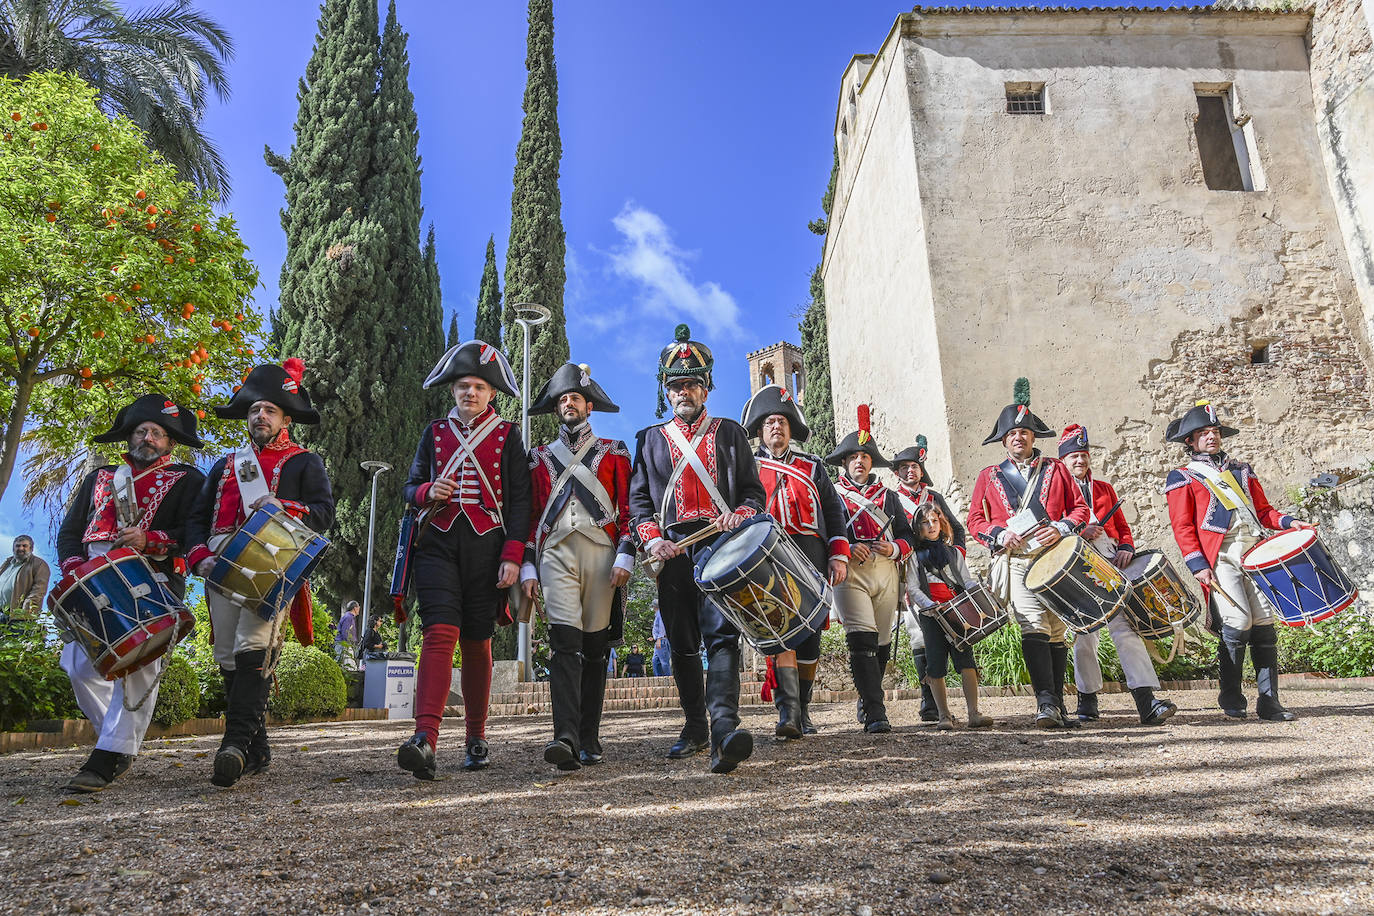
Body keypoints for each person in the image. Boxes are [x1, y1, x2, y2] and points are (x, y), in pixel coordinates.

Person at [186, 360, 335, 788]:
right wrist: (200, 558)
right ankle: (257, 747)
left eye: (269, 410)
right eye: (254, 410)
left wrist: (282, 507)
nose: (260, 416)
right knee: (226, 656)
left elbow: (323, 513)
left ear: (286, 417)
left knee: (254, 645)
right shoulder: (225, 465)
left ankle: (232, 746)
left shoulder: (305, 461)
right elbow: (198, 521)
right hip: (219, 562)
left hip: (272, 558)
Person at [629, 324, 765, 774]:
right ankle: (694, 728)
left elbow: (752, 493)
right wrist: (652, 537)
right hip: (671, 553)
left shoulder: (729, 433)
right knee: (683, 643)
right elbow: (639, 502)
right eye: (676, 385)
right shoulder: (649, 439)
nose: (684, 391)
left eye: (692, 383)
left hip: (720, 545)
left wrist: (738, 517)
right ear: (667, 392)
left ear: (706, 388)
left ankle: (725, 729)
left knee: (722, 636)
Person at [54, 394, 205, 792]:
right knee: (78, 665)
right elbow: (70, 533)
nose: (149, 438)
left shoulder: (189, 480)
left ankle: (110, 756)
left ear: (170, 442)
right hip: (91, 582)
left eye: (157, 433)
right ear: (130, 437)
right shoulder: (99, 478)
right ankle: (117, 739)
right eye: (142, 431)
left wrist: (150, 538)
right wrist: (73, 569)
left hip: (150, 580)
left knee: (141, 665)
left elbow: (193, 534)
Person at [396, 341, 531, 780]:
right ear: (452, 390)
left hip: (488, 547)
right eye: (461, 386)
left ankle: (476, 736)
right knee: (438, 632)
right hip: (436, 542)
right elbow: (410, 486)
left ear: (491, 393)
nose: (469, 393)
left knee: (476, 640)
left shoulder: (508, 435)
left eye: (477, 386)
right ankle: (425, 739)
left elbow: (519, 504)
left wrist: (513, 556)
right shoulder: (434, 432)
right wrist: (425, 492)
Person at [1164, 400, 1313, 722]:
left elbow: (1264, 511)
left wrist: (1290, 522)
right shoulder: (1183, 476)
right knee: (1238, 621)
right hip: (1220, 556)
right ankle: (1231, 695)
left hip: (1254, 552)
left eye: (1215, 431)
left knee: (1264, 623)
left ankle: (1269, 701)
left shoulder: (1241, 471)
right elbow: (1182, 526)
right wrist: (1197, 565)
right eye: (1203, 433)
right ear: (1189, 441)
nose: (1211, 437)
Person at [519, 362, 634, 769]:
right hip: (554, 554)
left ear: (589, 407)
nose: (569, 404)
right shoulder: (538, 458)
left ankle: (590, 737)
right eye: (563, 399)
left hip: (602, 553)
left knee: (595, 648)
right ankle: (564, 737)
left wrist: (626, 552)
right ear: (557, 409)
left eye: (576, 398)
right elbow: (531, 514)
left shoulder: (615, 452)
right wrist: (528, 565)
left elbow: (629, 510)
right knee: (564, 644)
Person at [966, 379, 1088, 729]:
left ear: (1034, 437)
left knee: (1056, 629)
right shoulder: (988, 476)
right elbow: (975, 519)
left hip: (1055, 557)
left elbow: (1079, 509)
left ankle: (1059, 705)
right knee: (1032, 623)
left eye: (1024, 432)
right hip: (1017, 559)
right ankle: (1046, 702)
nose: (1018, 437)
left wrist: (1062, 527)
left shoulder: (1058, 469)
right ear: (1003, 441)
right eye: (1012, 434)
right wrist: (999, 533)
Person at [740, 384, 849, 738]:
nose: (777, 428)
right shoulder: (747, 468)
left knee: (811, 636)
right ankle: (787, 714)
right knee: (780, 629)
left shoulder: (812, 466)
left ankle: (803, 708)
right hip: (768, 558)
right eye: (771, 422)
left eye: (783, 423)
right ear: (760, 429)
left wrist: (838, 555)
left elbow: (834, 514)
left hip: (811, 556)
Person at [1059, 425, 1177, 725]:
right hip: (1079, 567)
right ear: (1063, 461)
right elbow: (1051, 529)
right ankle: (1087, 698)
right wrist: (1079, 530)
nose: (1080, 461)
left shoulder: (1104, 489)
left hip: (1112, 564)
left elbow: (1123, 527)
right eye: (1073, 456)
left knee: (1126, 630)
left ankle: (1146, 700)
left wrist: (1125, 546)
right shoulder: (1056, 493)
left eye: (1083, 455)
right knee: (1085, 636)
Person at [826, 405, 914, 735]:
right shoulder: (833, 496)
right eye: (853, 457)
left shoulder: (889, 497)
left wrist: (895, 548)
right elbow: (826, 533)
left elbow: (907, 536)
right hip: (851, 572)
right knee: (861, 637)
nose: (859, 461)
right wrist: (845, 547)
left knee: (882, 641)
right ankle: (877, 711)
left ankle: (867, 696)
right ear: (845, 463)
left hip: (886, 570)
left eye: (864, 456)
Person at [891, 437, 963, 723]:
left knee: (941, 631)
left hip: (936, 571)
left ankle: (936, 700)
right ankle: (928, 701)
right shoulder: (891, 498)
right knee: (918, 635)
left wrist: (953, 558)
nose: (911, 471)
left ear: (921, 470)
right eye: (905, 467)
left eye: (915, 466)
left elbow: (956, 530)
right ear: (897, 472)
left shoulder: (934, 499)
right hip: (908, 569)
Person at [905, 502, 994, 729]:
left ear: (941, 523)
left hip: (957, 611)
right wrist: (930, 605)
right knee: (934, 663)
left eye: (934, 521)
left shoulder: (953, 553)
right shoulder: (914, 556)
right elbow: (913, 589)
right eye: (925, 522)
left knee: (966, 661)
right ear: (918, 527)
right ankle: (944, 716)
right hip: (931, 614)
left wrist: (981, 595)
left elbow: (966, 580)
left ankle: (974, 713)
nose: (931, 525)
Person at [0, 535, 49, 636]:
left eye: (24, 546)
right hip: (1, 614)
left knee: (12, 649)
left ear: (31, 548)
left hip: (18, 618)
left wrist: (23, 614)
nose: (21, 548)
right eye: (18, 546)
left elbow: (38, 591)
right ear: (13, 548)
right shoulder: (7, 563)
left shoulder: (39, 564)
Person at [335, 600, 360, 666]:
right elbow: (345, 632)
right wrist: (349, 644)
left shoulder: (349, 617)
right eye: (358, 607)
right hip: (343, 644)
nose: (359, 609)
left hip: (344, 644)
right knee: (340, 663)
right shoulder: (348, 617)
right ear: (355, 608)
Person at [651, 602, 671, 677]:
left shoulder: (660, 613)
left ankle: (667, 678)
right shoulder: (658, 614)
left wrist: (659, 638)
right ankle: (658, 678)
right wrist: (654, 638)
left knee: (664, 662)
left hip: (662, 640)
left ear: (654, 606)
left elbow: (662, 627)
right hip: (658, 640)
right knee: (655, 661)